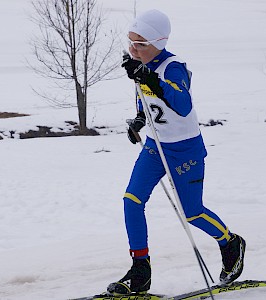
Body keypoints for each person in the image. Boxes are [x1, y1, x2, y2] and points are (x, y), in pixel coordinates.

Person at [107, 9, 246, 295]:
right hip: (155, 148)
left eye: (140, 44)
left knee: (193, 213)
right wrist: (138, 121)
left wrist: (149, 78)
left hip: (185, 150)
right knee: (131, 200)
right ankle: (140, 270)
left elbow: (182, 105)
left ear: (158, 43)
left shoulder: (173, 67)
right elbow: (144, 100)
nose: (133, 49)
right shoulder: (139, 66)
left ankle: (230, 242)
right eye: (131, 42)